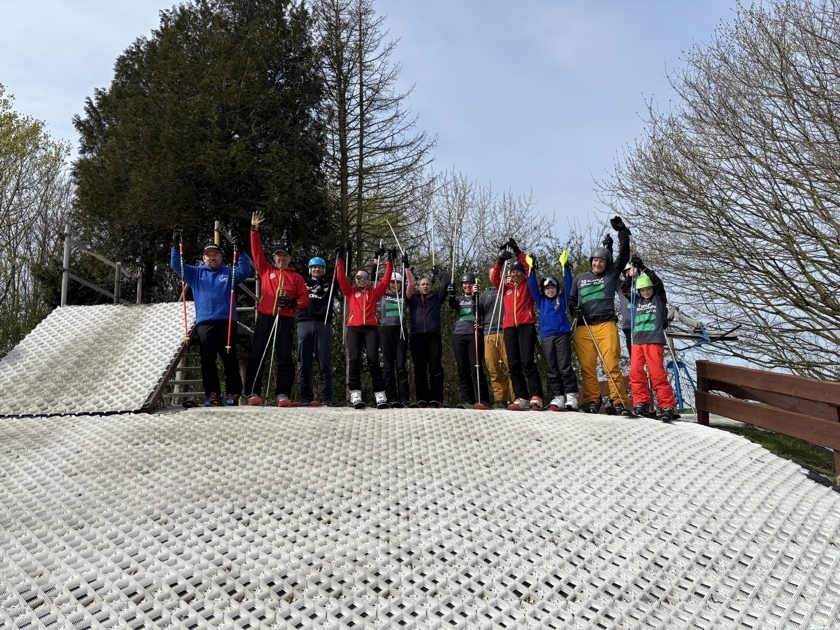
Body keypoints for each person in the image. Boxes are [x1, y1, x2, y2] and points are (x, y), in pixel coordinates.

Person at [170, 229, 252, 406]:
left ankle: (234, 392)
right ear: (203, 258)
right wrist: (176, 247)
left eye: (215, 254)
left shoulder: (228, 272)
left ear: (221, 257)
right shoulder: (195, 273)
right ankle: (212, 393)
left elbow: (245, 271)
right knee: (207, 358)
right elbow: (177, 266)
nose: (212, 258)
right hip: (205, 321)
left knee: (229, 357)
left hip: (226, 320)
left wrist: (242, 251)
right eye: (209, 255)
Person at [244, 212, 310, 406]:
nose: (282, 259)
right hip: (265, 316)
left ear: (289, 258)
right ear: (274, 257)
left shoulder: (295, 277)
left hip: (285, 318)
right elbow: (256, 252)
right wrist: (254, 230)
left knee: (284, 356)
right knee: (258, 353)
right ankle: (252, 391)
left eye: (285, 256)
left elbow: (305, 299)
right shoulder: (266, 270)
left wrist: (292, 304)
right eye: (278, 255)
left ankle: (282, 393)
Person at [569, 216, 632, 415]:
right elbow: (570, 300)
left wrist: (623, 233)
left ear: (606, 263)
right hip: (584, 326)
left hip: (606, 325)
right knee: (587, 367)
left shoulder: (610, 276)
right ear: (591, 262)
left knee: (611, 364)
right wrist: (573, 310)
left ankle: (618, 401)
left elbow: (623, 257)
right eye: (595, 260)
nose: (598, 264)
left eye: (602, 261)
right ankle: (592, 400)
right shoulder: (580, 278)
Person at [335, 242, 393, 409]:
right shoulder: (351, 291)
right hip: (354, 327)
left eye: (365, 278)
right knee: (354, 359)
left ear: (368, 280)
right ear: (355, 279)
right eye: (359, 278)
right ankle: (355, 394)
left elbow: (385, 279)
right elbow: (340, 278)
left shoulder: (374, 293)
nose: (361, 280)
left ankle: (380, 396)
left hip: (371, 329)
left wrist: (389, 262)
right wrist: (340, 259)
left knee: (374, 360)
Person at [490, 238, 544, 411]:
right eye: (512, 272)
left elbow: (528, 265)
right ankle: (521, 396)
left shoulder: (528, 284)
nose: (515, 274)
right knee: (513, 363)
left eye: (518, 272)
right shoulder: (506, 288)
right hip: (509, 327)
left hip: (526, 325)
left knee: (527, 361)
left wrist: (516, 250)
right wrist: (500, 260)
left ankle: (536, 395)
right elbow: (494, 277)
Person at [527, 250, 579, 411]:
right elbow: (532, 286)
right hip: (546, 336)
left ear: (557, 288)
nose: (550, 290)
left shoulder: (562, 298)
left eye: (553, 287)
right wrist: (532, 269)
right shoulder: (541, 300)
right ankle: (558, 396)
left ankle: (571, 395)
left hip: (562, 334)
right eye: (547, 288)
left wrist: (566, 267)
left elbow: (569, 284)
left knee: (564, 366)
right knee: (552, 367)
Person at [628, 263, 677, 422]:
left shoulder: (658, 299)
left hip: (654, 340)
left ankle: (666, 405)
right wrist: (631, 275)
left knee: (657, 373)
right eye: (643, 290)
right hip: (638, 342)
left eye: (648, 289)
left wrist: (643, 267)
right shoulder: (636, 301)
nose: (646, 292)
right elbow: (623, 288)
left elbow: (658, 283)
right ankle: (641, 402)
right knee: (636, 372)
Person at [408, 267, 451, 408]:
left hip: (433, 335)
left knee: (435, 367)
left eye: (427, 284)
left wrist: (439, 272)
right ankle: (422, 398)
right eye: (422, 284)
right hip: (417, 336)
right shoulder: (412, 299)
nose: (425, 286)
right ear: (418, 287)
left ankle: (436, 398)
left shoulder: (436, 298)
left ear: (431, 287)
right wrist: (410, 273)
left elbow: (446, 283)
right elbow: (405, 286)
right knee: (419, 368)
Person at [296, 255, 336, 406]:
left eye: (319, 267)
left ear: (323, 269)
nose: (317, 269)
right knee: (304, 360)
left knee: (324, 360)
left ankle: (327, 397)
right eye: (314, 267)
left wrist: (345, 255)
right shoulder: (303, 282)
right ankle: (305, 397)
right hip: (304, 322)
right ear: (310, 269)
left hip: (323, 323)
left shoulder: (329, 284)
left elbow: (341, 273)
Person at [448, 272, 490, 409]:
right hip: (459, 335)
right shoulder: (459, 299)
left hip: (474, 335)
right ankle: (468, 400)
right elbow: (452, 304)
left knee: (476, 368)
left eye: (470, 283)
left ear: (474, 285)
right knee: (462, 368)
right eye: (465, 284)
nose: (467, 286)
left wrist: (476, 297)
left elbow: (480, 311)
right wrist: (452, 294)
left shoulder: (479, 299)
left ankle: (483, 399)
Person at [377, 252, 414, 407]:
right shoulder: (382, 295)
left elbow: (411, 284)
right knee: (387, 365)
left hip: (400, 330)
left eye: (397, 282)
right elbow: (377, 280)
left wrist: (406, 267)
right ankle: (391, 398)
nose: (394, 284)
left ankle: (404, 398)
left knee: (400, 365)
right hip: (385, 330)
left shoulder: (404, 296)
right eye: (392, 282)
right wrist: (386, 262)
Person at [478, 278, 514, 407]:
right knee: (493, 368)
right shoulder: (485, 294)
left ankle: (517, 398)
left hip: (507, 331)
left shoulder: (509, 289)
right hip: (489, 333)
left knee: (512, 367)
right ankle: (500, 400)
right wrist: (474, 296)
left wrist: (512, 283)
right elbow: (476, 311)